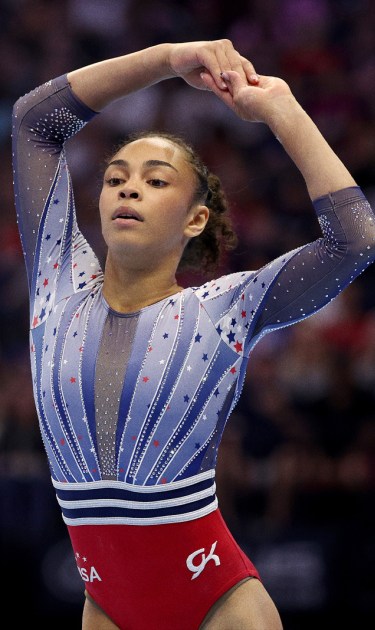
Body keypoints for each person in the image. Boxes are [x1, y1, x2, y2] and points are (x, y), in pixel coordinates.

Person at [12, 39, 375, 630]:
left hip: (218, 605)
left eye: (156, 181)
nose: (128, 189)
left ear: (196, 218)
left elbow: (355, 240)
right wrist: (166, 60)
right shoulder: (56, 286)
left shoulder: (223, 309)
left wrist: (281, 108)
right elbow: (35, 121)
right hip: (105, 608)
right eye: (115, 178)